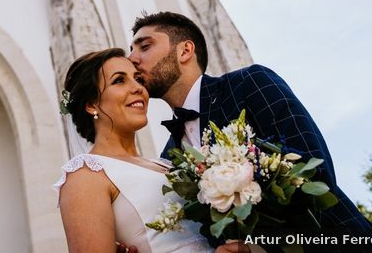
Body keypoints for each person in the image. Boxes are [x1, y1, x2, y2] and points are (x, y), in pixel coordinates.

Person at [128, 11, 372, 251]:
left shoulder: (249, 83)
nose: (131, 59)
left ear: (185, 50)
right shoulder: (169, 156)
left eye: (145, 46)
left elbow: (315, 169)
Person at [54, 48, 250, 253]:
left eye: (138, 79)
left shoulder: (167, 163)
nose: (138, 88)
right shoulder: (86, 174)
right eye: (119, 81)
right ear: (92, 104)